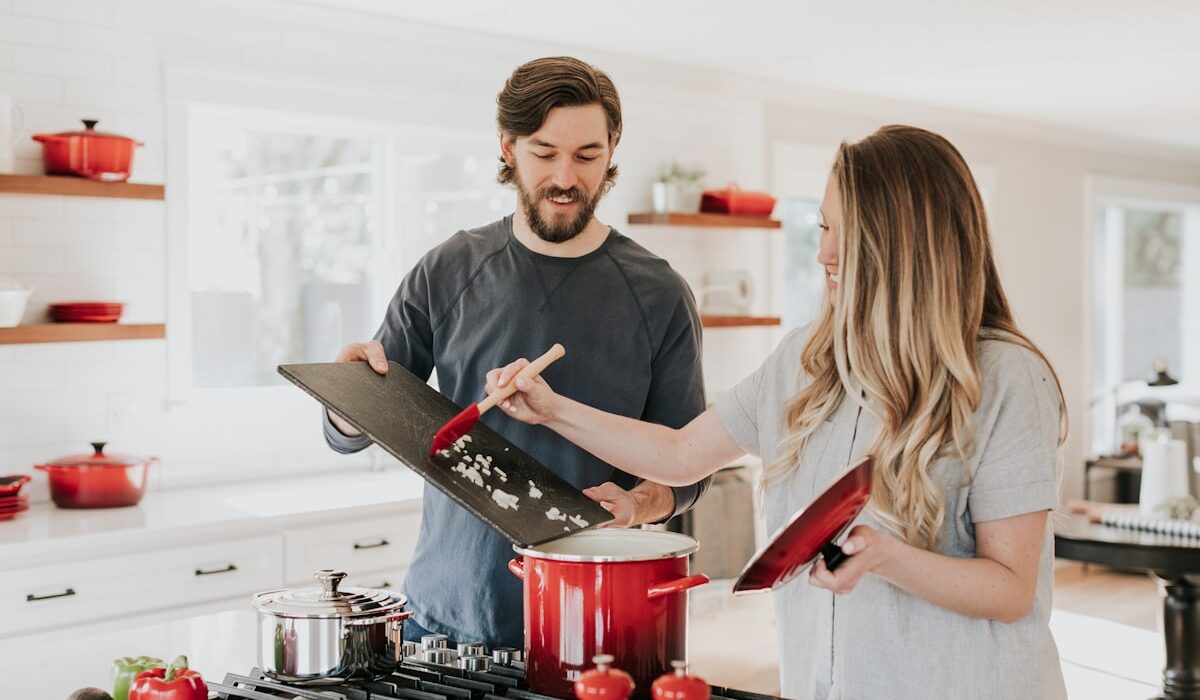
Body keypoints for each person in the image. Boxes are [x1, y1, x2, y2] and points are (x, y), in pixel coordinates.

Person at [487, 125, 1069, 699]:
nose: (824, 252)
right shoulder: (805, 361)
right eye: (822, 226)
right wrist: (551, 409)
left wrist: (887, 557)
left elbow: (1012, 588)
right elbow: (680, 454)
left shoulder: (1007, 378)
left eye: (846, 232)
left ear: (907, 243)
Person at [322, 56, 710, 649]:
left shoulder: (659, 294)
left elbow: (689, 470)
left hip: (595, 624)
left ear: (611, 152)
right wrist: (345, 401)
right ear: (508, 147)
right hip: (443, 620)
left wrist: (638, 503)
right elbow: (358, 423)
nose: (565, 177)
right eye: (544, 152)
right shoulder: (447, 269)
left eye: (586, 156)